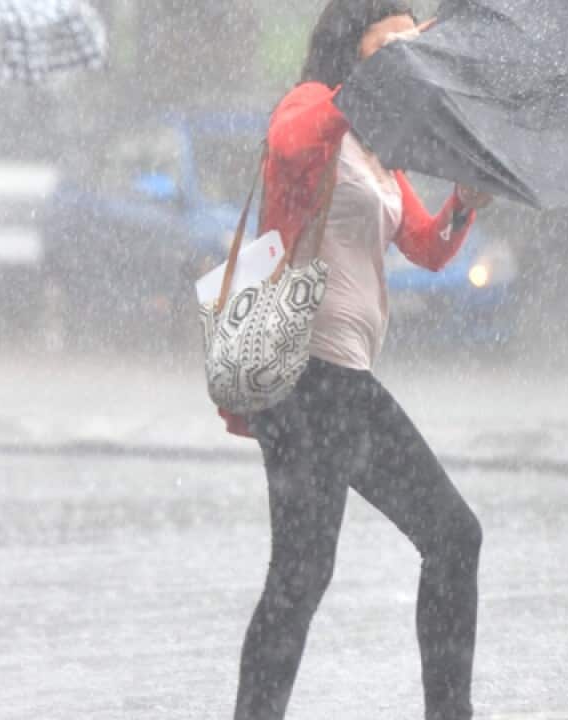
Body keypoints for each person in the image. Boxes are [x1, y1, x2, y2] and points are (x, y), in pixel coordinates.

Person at [225, 2, 493, 718]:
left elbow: (428, 248)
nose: (411, 48)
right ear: (357, 40)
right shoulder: (316, 106)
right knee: (303, 573)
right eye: (395, 37)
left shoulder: (375, 148)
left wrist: (464, 206)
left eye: (416, 38)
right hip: (302, 376)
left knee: (447, 538)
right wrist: (360, 91)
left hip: (347, 382)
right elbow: (287, 140)